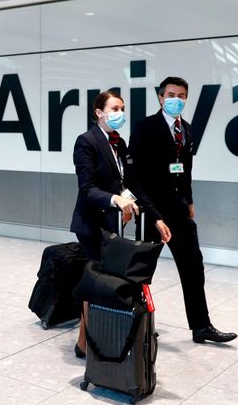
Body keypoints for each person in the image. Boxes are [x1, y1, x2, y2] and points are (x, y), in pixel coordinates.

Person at [128, 76, 237, 344]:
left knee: (193, 267)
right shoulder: (145, 128)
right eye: (171, 94)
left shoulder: (186, 129)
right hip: (152, 214)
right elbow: (132, 177)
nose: (176, 99)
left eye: (182, 95)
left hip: (178, 212)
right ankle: (133, 322)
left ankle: (201, 326)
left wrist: (189, 201)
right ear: (160, 97)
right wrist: (152, 215)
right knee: (142, 271)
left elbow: (185, 169)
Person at [70, 90, 171, 358]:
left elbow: (132, 184)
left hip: (112, 226)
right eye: (114, 109)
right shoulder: (86, 142)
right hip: (91, 225)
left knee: (107, 283)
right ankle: (84, 343)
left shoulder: (120, 143)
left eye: (122, 108)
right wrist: (115, 199)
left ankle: (97, 337)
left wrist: (156, 216)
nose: (120, 114)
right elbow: (87, 188)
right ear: (99, 112)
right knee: (96, 283)